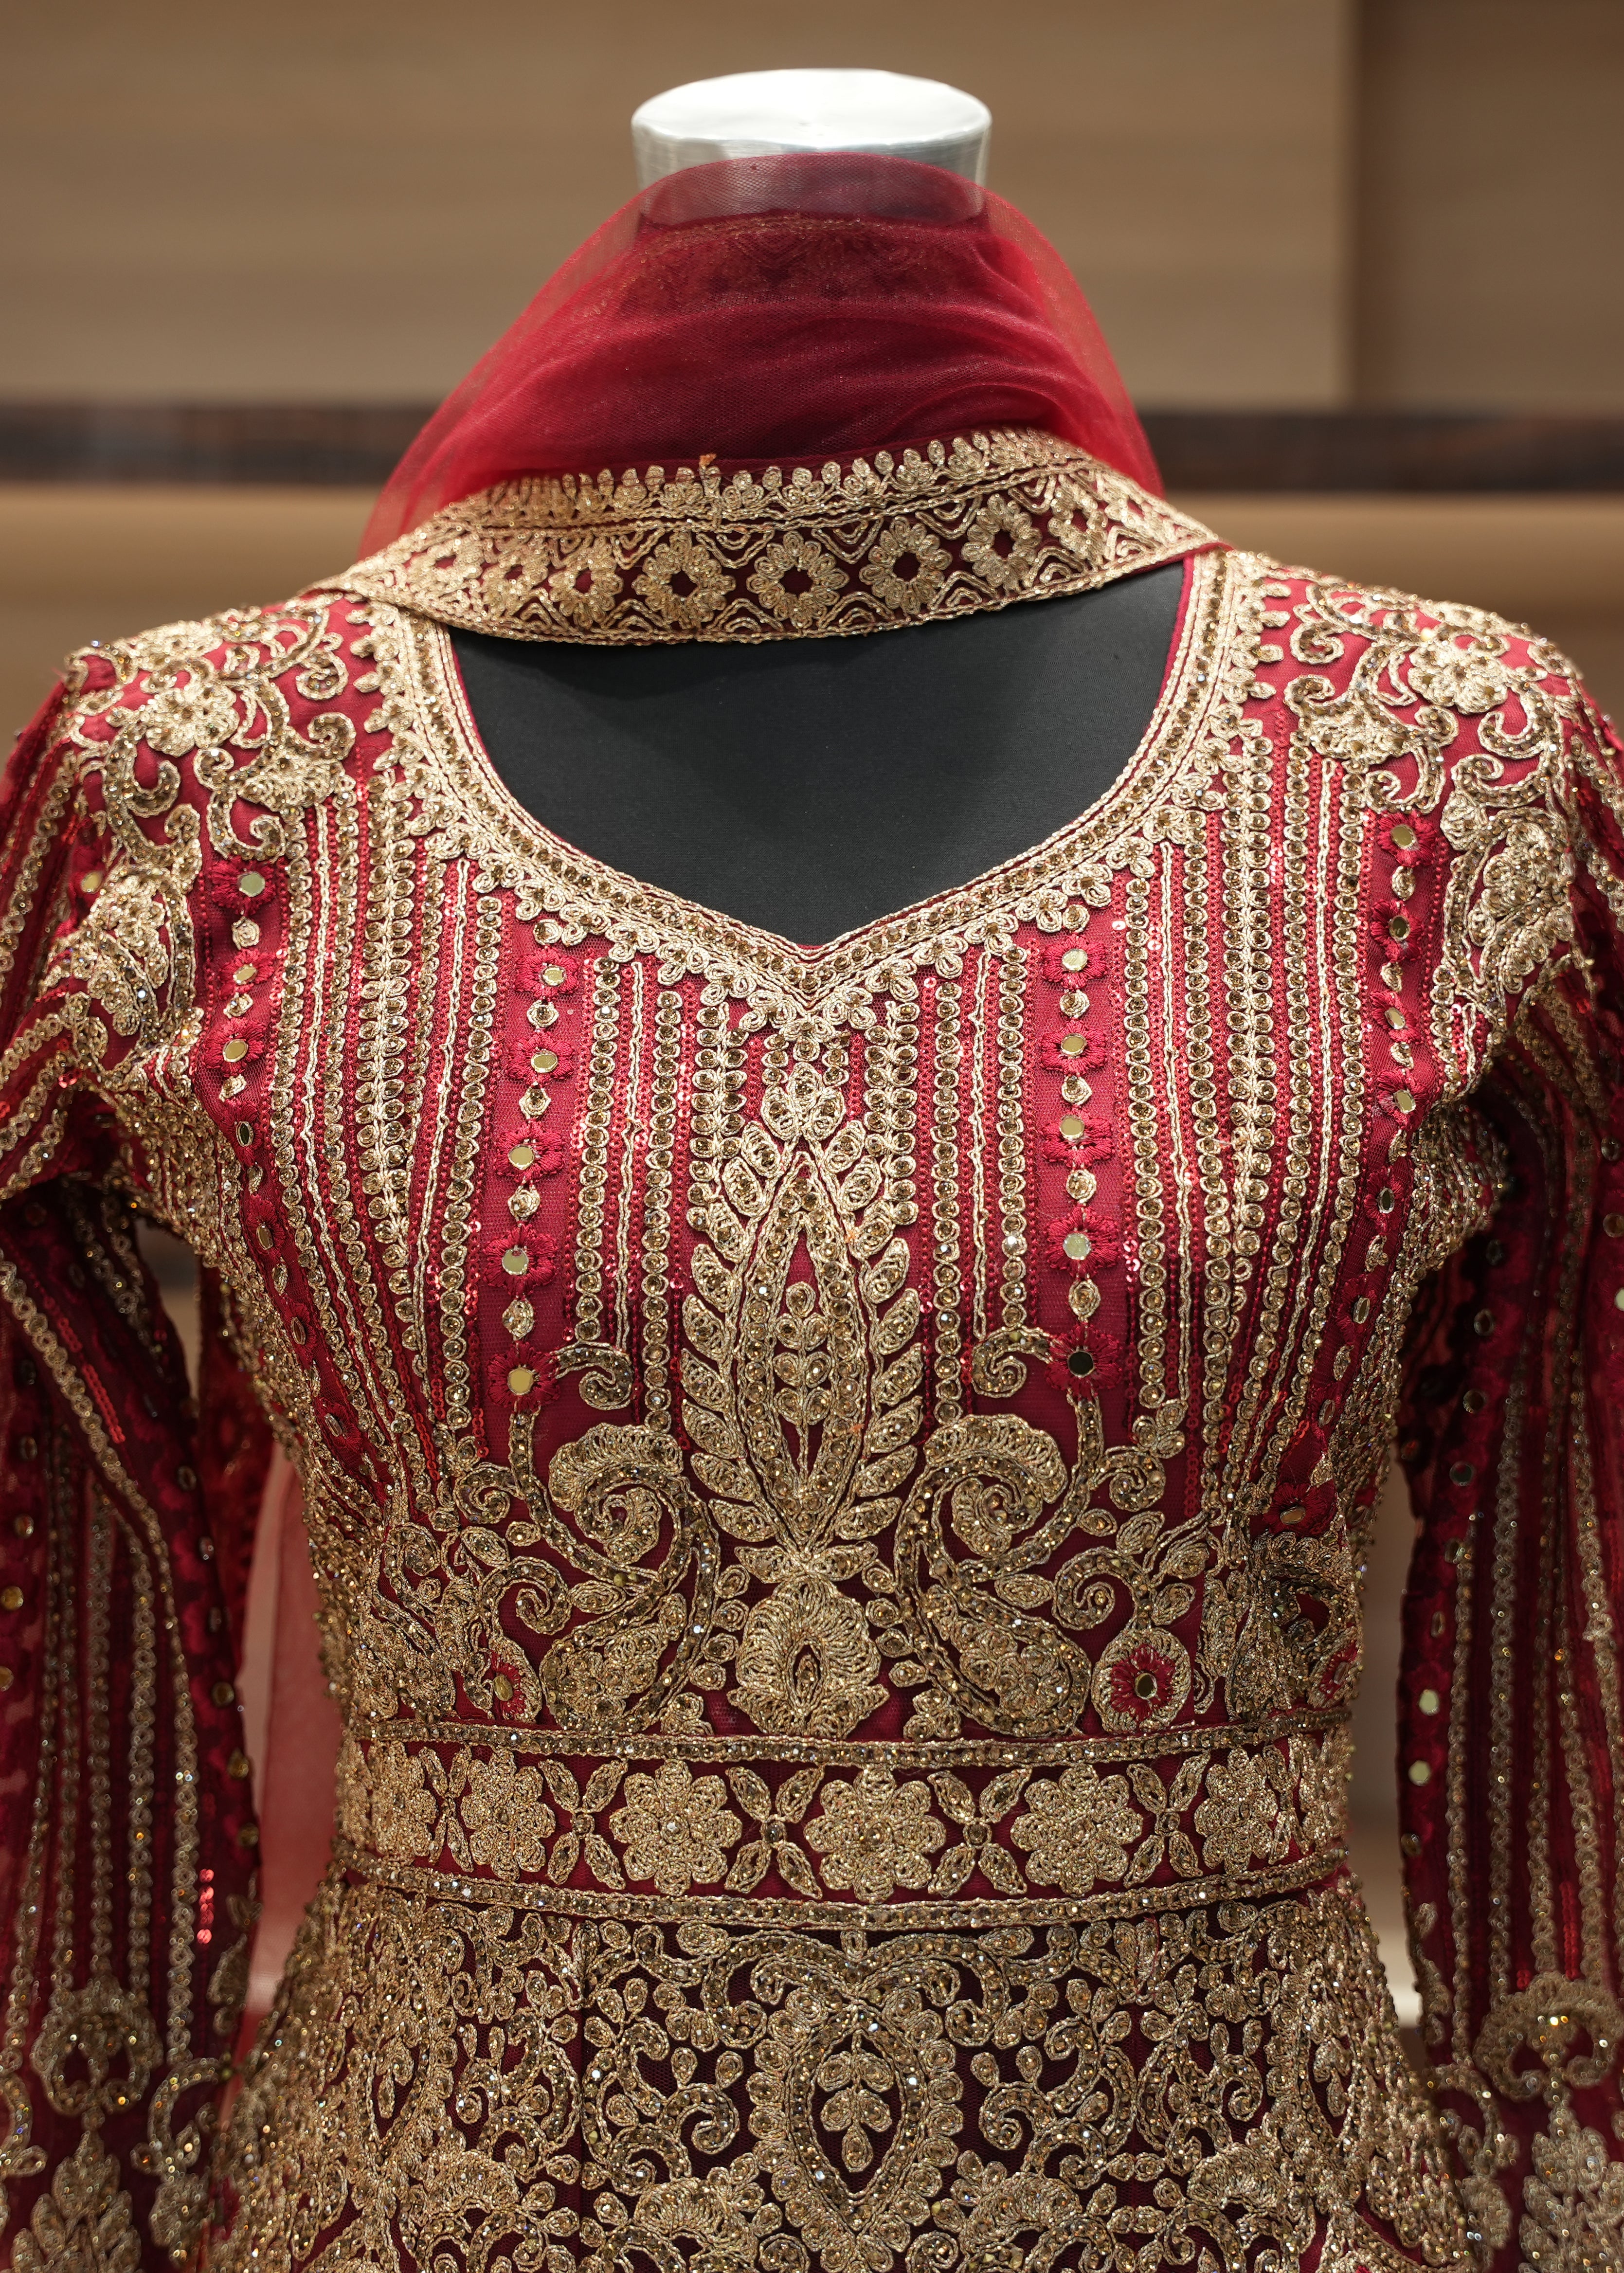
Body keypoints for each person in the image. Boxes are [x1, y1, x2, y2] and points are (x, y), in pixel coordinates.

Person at [1, 70, 1621, 2273]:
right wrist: (81, 2137)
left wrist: (1563, 2149)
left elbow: (1569, 1512)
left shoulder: (1431, 767)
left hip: (1235, 2194)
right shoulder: (210, 782)